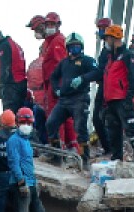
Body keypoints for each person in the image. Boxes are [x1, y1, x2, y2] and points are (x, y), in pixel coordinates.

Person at [45, 32, 98, 163]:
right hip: (64, 100)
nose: (74, 49)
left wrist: (83, 78)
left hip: (80, 98)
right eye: (71, 46)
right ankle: (56, 155)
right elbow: (53, 76)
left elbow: (97, 72)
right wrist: (57, 89)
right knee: (51, 123)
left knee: (80, 128)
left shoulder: (87, 61)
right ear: (67, 48)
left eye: (77, 46)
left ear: (82, 47)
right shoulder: (64, 63)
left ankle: (84, 158)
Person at [100, 25, 134, 162]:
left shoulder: (127, 55)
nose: (106, 42)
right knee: (113, 131)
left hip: (122, 99)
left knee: (131, 127)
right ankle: (116, 157)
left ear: (114, 38)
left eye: (107, 38)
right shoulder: (111, 58)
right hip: (111, 100)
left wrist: (128, 98)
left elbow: (133, 78)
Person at [34, 12, 77, 152]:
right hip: (52, 84)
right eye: (48, 24)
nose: (50, 27)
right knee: (63, 115)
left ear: (58, 25)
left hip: (56, 84)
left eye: (52, 24)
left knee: (56, 116)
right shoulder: (50, 41)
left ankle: (59, 148)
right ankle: (71, 146)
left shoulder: (58, 41)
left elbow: (61, 64)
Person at [7, 107, 48, 212]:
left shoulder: (26, 141)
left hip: (31, 183)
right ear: (17, 122)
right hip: (22, 184)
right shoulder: (14, 140)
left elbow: (28, 163)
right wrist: (20, 181)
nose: (26, 125)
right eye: (24, 122)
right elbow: (14, 162)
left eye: (29, 122)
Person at [0, 28, 28, 113]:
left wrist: (2, 86)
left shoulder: (3, 46)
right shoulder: (14, 44)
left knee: (10, 115)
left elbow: (5, 67)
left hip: (11, 86)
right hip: (21, 83)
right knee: (20, 113)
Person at [91, 17, 114, 155]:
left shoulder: (114, 50)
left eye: (103, 29)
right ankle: (108, 148)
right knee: (97, 118)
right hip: (103, 88)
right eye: (100, 29)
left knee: (108, 119)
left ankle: (112, 149)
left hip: (111, 90)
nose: (101, 32)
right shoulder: (105, 50)